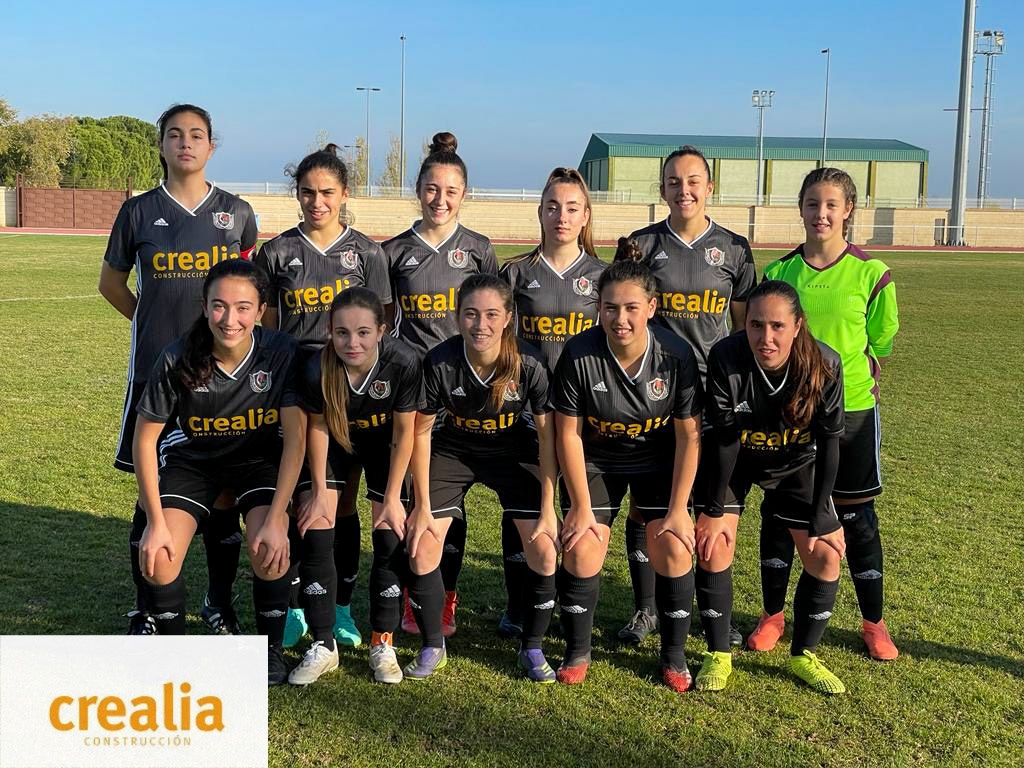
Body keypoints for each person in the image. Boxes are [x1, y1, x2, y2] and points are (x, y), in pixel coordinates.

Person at [98, 103, 258, 636]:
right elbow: (113, 284)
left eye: (196, 135)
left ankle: (218, 603)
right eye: (174, 135)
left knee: (223, 493)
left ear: (211, 146)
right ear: (161, 145)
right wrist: (156, 329)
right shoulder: (138, 212)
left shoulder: (236, 213)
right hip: (155, 374)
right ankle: (147, 607)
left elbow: (251, 292)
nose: (185, 143)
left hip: (221, 381)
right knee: (150, 493)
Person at [132, 259, 302, 686]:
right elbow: (145, 441)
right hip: (195, 462)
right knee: (159, 558)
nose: (230, 318)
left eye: (243, 307)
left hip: (258, 462)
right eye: (219, 306)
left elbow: (297, 440)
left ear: (261, 309)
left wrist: (280, 515)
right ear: (205, 307)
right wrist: (154, 523)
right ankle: (176, 655)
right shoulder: (178, 358)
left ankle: (269, 653)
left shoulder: (281, 353)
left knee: (270, 548)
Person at [756, 168, 900, 661]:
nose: (821, 213)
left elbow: (880, 339)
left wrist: (854, 375)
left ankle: (873, 622)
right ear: (800, 208)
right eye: (812, 203)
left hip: (854, 411)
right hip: (789, 415)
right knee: (779, 513)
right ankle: (772, 615)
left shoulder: (871, 273)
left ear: (848, 210)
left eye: (831, 205)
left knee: (857, 517)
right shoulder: (779, 272)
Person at [614, 145, 756, 647]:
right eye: (674, 181)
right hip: (654, 397)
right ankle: (646, 609)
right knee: (647, 507)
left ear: (709, 187)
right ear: (662, 189)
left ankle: (716, 615)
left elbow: (742, 331)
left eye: (693, 180)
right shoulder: (638, 245)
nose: (684, 190)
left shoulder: (734, 249)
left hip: (714, 398)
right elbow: (623, 318)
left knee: (710, 504)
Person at [255, 144, 392, 651]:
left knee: (344, 502)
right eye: (308, 193)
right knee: (296, 499)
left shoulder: (368, 254)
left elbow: (381, 322)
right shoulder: (277, 252)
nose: (317, 202)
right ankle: (295, 603)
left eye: (327, 193)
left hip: (352, 398)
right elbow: (268, 326)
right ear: (297, 194)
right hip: (296, 393)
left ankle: (339, 607)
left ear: (344, 195)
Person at [550, 259, 702, 691]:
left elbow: (690, 439)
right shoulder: (579, 354)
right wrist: (579, 506)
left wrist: (677, 510)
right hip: (597, 460)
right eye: (611, 308)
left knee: (673, 547)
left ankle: (673, 656)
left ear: (651, 308)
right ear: (598, 307)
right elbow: (569, 435)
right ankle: (578, 651)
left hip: (657, 459)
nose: (621, 318)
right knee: (582, 547)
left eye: (632, 307)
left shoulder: (676, 355)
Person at [405, 274, 559, 682]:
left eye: (492, 314)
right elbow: (421, 432)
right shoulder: (440, 361)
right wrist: (421, 506)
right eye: (471, 314)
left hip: (514, 451)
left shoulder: (530, 364)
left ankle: (532, 646)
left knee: (544, 550)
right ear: (457, 317)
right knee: (422, 544)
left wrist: (549, 509)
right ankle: (432, 643)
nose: (481, 325)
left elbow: (547, 439)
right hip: (455, 450)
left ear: (509, 318)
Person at [703, 279, 847, 693]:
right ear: (744, 324)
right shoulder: (726, 356)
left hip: (796, 464)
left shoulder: (825, 364)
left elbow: (830, 443)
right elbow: (726, 439)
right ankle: (718, 654)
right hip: (736, 463)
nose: (765, 337)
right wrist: (715, 510)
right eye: (755, 325)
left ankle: (804, 655)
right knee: (714, 546)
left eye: (777, 326)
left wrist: (823, 514)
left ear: (798, 325)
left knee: (825, 556)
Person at [383, 132, 498, 638]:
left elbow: (497, 320)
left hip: (466, 395)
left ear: (464, 193)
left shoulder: (479, 249)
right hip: (414, 394)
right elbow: (386, 323)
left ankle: (447, 596)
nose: (440, 199)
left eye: (450, 190)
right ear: (419, 189)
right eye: (432, 188)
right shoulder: (394, 251)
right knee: (417, 497)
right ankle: (415, 594)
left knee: (455, 502)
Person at [290, 288, 422, 685]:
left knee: (388, 531)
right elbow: (315, 428)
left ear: (381, 330)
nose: (353, 342)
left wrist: (397, 496)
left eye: (364, 332)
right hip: (334, 445)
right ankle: (324, 643)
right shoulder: (317, 367)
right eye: (342, 333)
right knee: (316, 526)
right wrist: (316, 490)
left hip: (385, 449)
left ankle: (383, 642)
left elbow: (404, 434)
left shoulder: (403, 362)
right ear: (329, 331)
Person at [496, 166, 604, 638]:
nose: (562, 216)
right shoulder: (515, 272)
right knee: (522, 506)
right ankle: (521, 603)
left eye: (572, 208)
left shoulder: (602, 276)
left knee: (577, 505)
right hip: (526, 412)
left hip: (586, 415)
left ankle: (569, 604)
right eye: (553, 207)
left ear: (585, 216)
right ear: (540, 212)